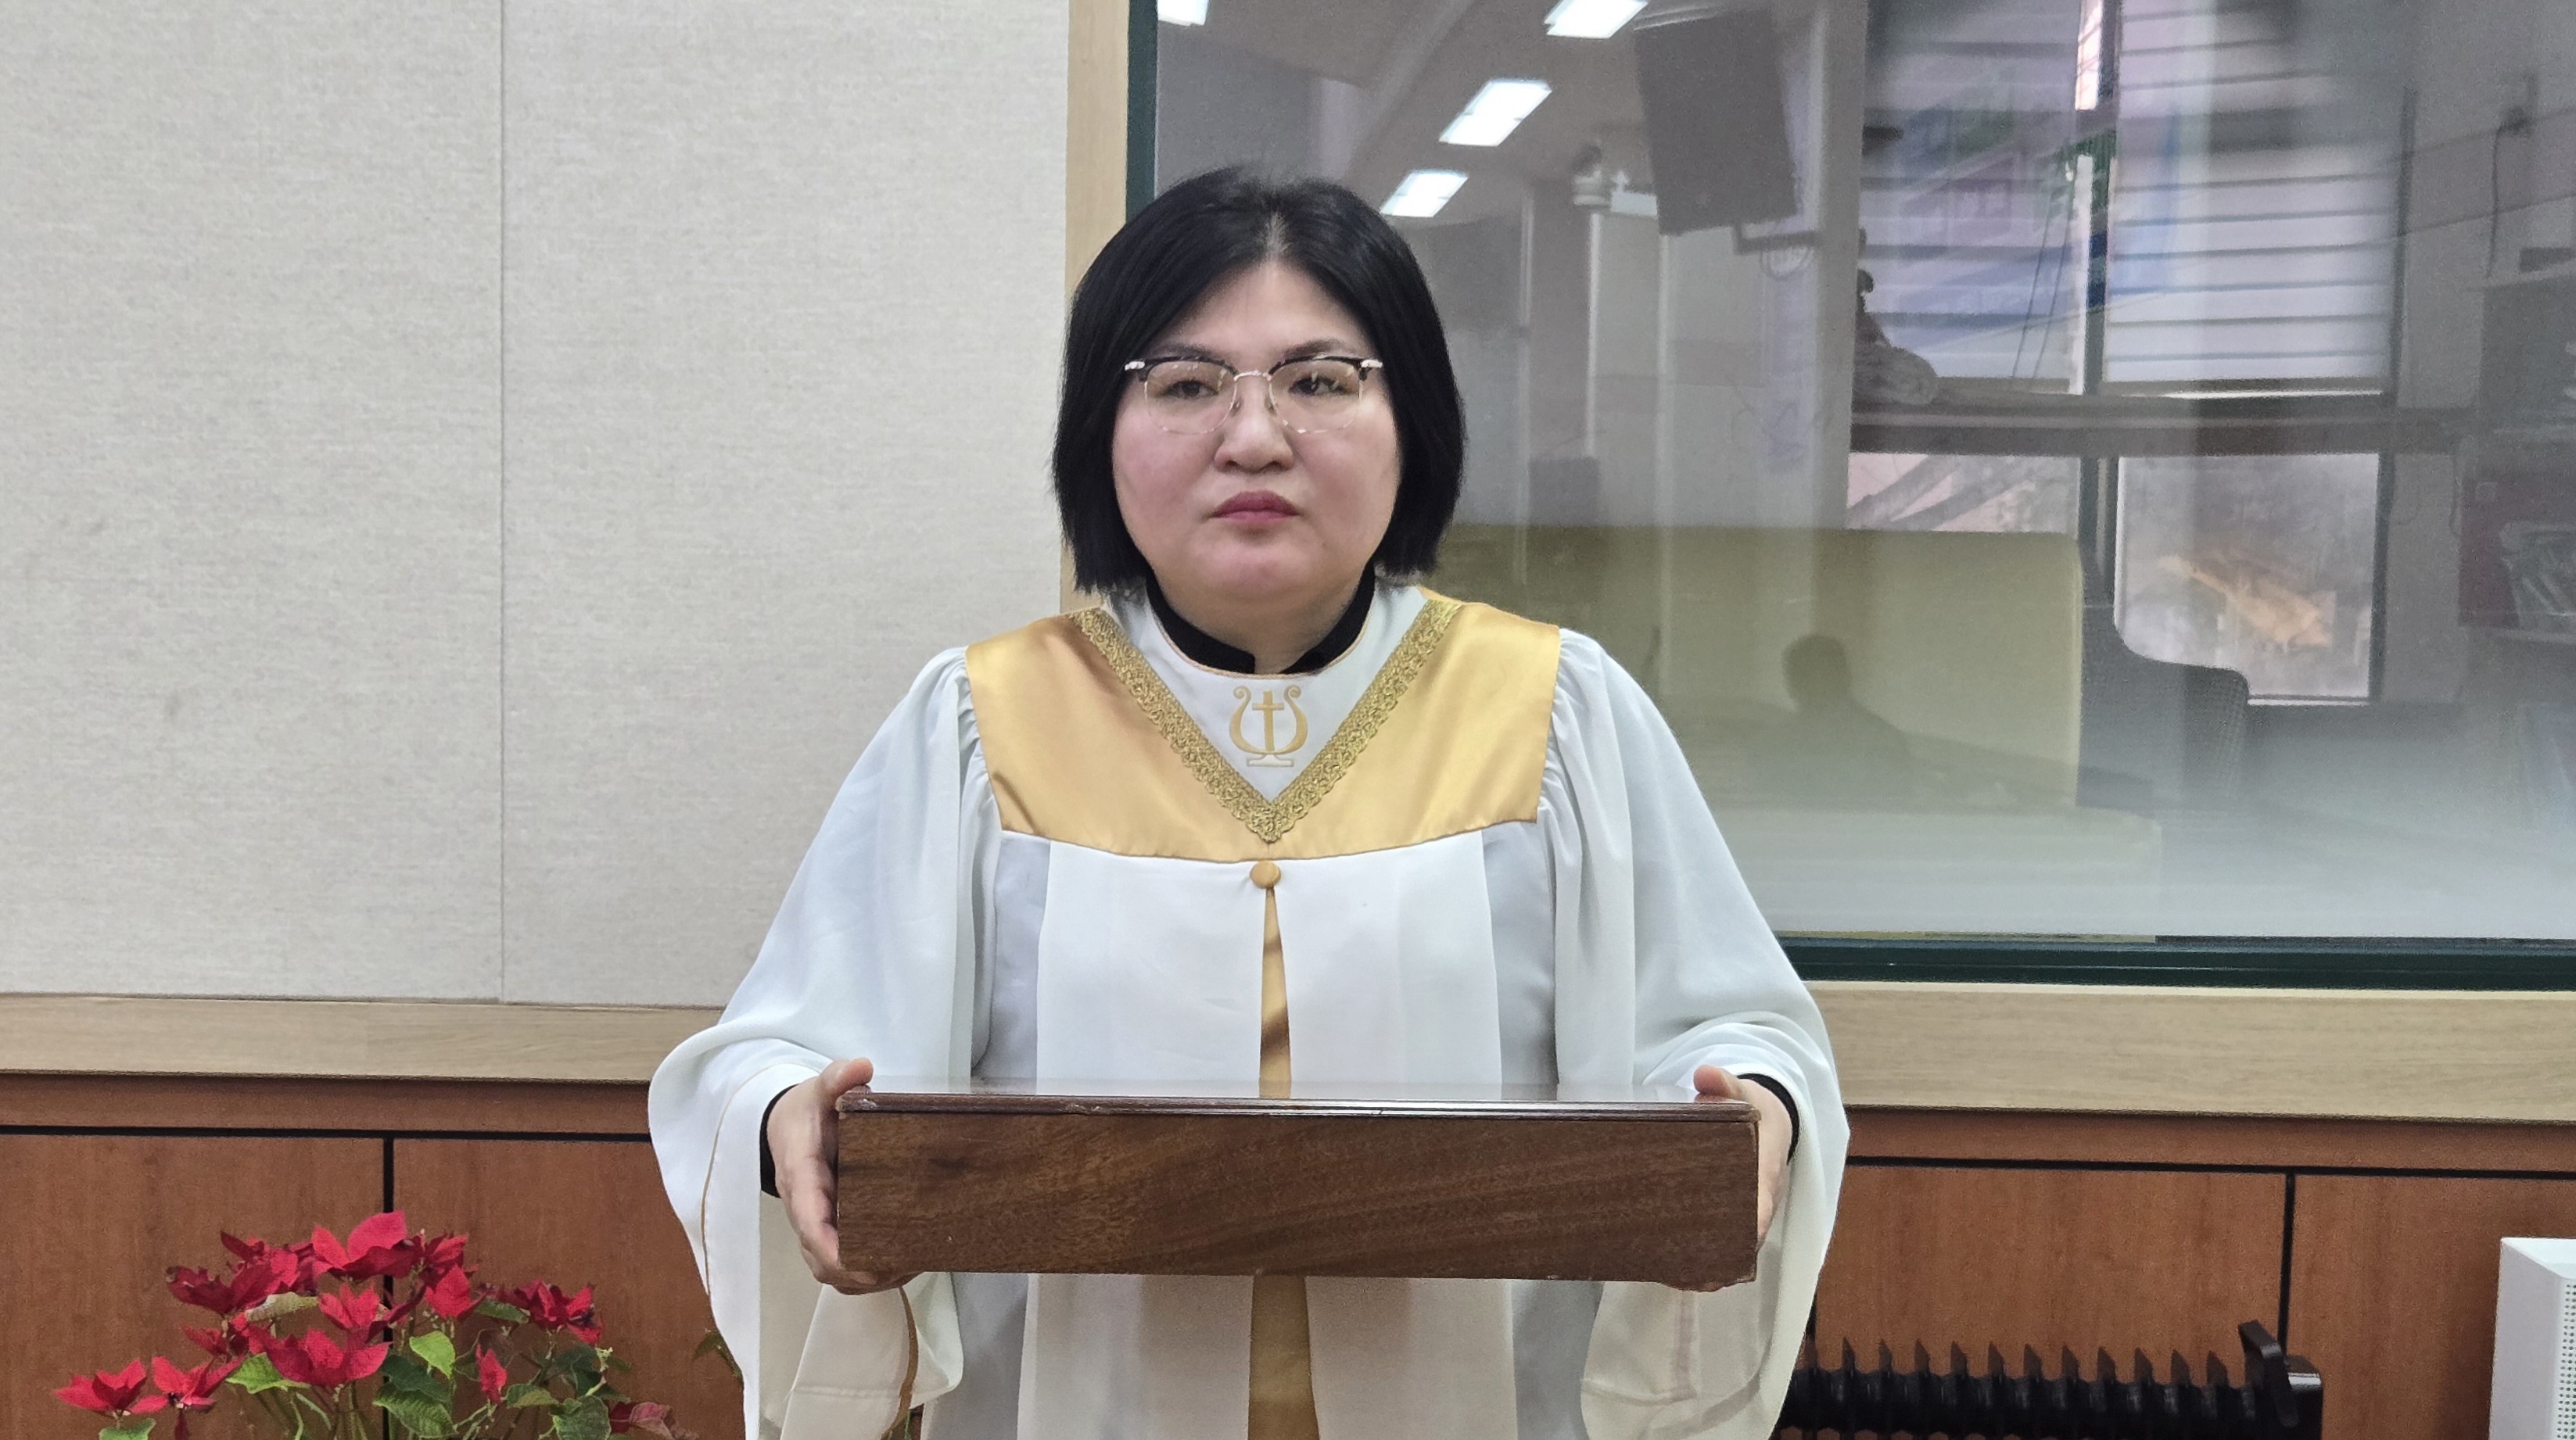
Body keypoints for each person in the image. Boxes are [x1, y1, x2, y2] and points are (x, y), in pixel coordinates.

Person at [649, 168, 1845, 1440]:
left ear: (1413, 419)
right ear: (1100, 430)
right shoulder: (980, 723)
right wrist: (784, 1118)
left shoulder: (1553, 713)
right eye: (1185, 384)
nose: (1255, 437)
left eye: (1321, 381)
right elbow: (784, 1051)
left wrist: (1755, 1107)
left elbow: (1722, 1034)